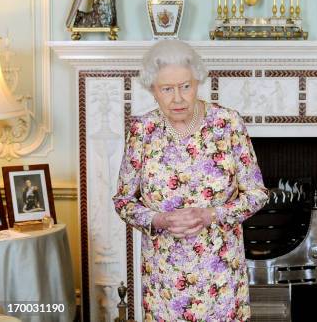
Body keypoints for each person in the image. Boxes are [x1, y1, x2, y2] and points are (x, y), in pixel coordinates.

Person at [112, 40, 268, 321]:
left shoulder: (228, 123)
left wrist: (212, 215)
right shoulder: (142, 130)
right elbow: (124, 201)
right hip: (164, 279)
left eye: (186, 86)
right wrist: (158, 220)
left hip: (221, 273)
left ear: (197, 82)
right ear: (153, 90)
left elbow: (257, 194)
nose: (178, 98)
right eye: (167, 89)